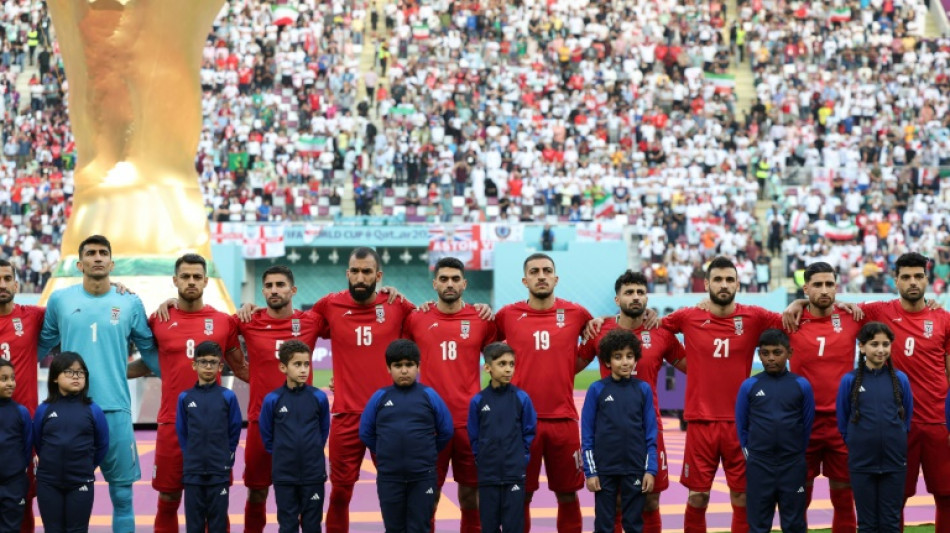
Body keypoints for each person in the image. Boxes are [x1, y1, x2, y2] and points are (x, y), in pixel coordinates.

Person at [786, 252, 950, 531]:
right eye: (906, 277)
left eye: (918, 276)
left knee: (946, 494)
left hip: (937, 422)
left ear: (927, 279)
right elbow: (826, 304)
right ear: (895, 280)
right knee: (894, 498)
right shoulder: (879, 311)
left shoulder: (943, 318)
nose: (913, 282)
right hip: (895, 424)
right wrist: (799, 302)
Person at [37, 235, 158, 533]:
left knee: (122, 496)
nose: (98, 257)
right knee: (67, 495)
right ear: (80, 264)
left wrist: (118, 371)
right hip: (70, 412)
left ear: (112, 263)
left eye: (103, 253)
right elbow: (37, 347)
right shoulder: (60, 300)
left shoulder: (129, 301)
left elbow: (152, 354)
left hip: (116, 410)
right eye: (90, 253)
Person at [661, 256, 782, 533]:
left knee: (742, 496)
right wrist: (682, 362)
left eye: (729, 279)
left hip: (740, 423)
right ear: (706, 284)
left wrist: (798, 303)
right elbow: (656, 331)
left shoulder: (755, 316)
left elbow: (791, 321)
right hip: (700, 422)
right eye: (718, 279)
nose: (724, 285)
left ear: (738, 284)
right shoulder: (688, 316)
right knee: (698, 497)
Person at [133, 253, 248, 533]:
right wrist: (107, 373)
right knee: (168, 498)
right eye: (185, 276)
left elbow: (241, 368)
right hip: (171, 422)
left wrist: (281, 385)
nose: (191, 281)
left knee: (215, 502)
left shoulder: (223, 321)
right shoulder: (158, 319)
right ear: (175, 280)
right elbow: (147, 363)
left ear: (206, 281)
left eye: (197, 276)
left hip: (213, 428)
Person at [312, 247, 416, 533]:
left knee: (395, 491)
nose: (360, 277)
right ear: (347, 273)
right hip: (346, 415)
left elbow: (429, 322)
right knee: (340, 492)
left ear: (378, 276)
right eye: (355, 271)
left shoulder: (397, 305)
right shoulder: (329, 305)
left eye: (367, 272)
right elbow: (296, 324)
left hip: (389, 417)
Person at [578, 270, 686, 533]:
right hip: (609, 432)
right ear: (617, 299)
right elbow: (570, 365)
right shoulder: (599, 330)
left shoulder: (660, 332)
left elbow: (693, 367)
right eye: (629, 292)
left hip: (649, 429)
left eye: (640, 292)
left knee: (650, 499)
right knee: (612, 501)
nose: (635, 297)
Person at [494, 253, 594, 533]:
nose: (541, 276)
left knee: (568, 494)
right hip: (520, 422)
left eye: (547, 271)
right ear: (524, 280)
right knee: (521, 494)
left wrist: (568, 367)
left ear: (556, 278)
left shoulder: (576, 313)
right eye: (534, 271)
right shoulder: (507, 315)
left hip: (563, 420)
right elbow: (483, 341)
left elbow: (597, 340)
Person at [403, 256, 497, 532]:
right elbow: (400, 363)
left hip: (470, 423)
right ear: (434, 284)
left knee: (472, 497)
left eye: (455, 279)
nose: (449, 284)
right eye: (443, 279)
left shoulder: (481, 319)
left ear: (464, 283)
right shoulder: (416, 318)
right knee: (428, 497)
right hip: (430, 424)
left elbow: (499, 364)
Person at [237, 265, 324, 533]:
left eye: (280, 285)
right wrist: (244, 371)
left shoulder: (311, 321)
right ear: (263, 291)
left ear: (293, 290)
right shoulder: (248, 320)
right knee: (257, 491)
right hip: (260, 422)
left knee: (305, 494)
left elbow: (350, 331)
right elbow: (216, 331)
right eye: (269, 286)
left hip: (302, 425)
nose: (274, 290)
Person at [788, 262, 862, 533]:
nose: (824, 290)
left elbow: (897, 308)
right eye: (817, 285)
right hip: (801, 424)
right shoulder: (790, 320)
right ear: (805, 288)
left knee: (844, 497)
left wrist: (929, 303)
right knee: (798, 498)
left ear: (836, 287)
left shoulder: (853, 317)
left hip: (841, 424)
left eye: (829, 284)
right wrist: (796, 304)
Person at [359, 339, 454, 533]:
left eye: (409, 365)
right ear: (388, 368)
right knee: (393, 528)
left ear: (418, 367)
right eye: (398, 365)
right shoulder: (380, 397)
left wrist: (427, 450)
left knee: (420, 527)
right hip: (390, 477)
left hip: (423, 477)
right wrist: (386, 451)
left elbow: (446, 430)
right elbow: (366, 433)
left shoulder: (429, 395)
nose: (404, 371)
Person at [836, 322, 913, 533]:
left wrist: (895, 441)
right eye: (874, 344)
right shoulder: (849, 380)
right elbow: (843, 420)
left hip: (894, 462)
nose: (881, 349)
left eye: (885, 344)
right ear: (862, 347)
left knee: (890, 523)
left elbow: (906, 419)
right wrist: (857, 443)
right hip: (862, 463)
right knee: (867, 524)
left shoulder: (900, 379)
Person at [735, 329, 815, 533]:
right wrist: (754, 455)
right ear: (759, 354)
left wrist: (795, 453)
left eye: (777, 352)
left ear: (789, 353)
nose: (771, 358)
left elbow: (806, 424)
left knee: (794, 525)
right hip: (760, 465)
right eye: (765, 353)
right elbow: (742, 426)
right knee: (758, 525)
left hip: (792, 465)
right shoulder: (749, 386)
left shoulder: (801, 385)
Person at [581, 329, 658, 533]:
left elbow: (651, 433)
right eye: (618, 357)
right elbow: (587, 434)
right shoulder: (597, 390)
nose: (625, 362)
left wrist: (650, 470)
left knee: (634, 524)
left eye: (629, 356)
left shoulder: (643, 389)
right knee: (604, 525)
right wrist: (591, 471)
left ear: (636, 359)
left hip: (635, 467)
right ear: (607, 361)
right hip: (604, 470)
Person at [32, 352, 109, 533]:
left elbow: (102, 445)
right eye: (69, 372)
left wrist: (86, 466)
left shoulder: (94, 410)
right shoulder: (44, 409)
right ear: (55, 378)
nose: (76, 377)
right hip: (48, 483)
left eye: (80, 372)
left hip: (80, 481)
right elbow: (38, 442)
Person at [259, 340, 331, 533]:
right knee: (287, 525)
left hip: (313, 474)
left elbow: (323, 431)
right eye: (297, 364)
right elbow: (267, 436)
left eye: (306, 364)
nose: (303, 369)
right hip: (284, 476)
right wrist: (283, 454)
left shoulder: (319, 397)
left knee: (312, 526)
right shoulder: (273, 400)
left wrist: (312, 450)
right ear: (283, 367)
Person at [467, 342, 537, 533]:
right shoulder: (478, 401)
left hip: (514, 474)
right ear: (487, 367)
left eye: (511, 364)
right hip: (488, 476)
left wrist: (521, 459)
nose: (508, 369)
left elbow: (529, 431)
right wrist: (481, 458)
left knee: (513, 527)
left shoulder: (521, 398)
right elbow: (474, 436)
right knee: (489, 527)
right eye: (502, 364)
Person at [175, 341, 242, 533]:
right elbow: (182, 431)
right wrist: (191, 456)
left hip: (219, 471)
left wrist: (226, 455)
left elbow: (234, 429)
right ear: (194, 365)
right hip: (193, 472)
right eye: (203, 362)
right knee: (194, 525)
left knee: (218, 524)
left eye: (213, 362)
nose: (208, 366)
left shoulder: (228, 397)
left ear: (220, 366)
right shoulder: (185, 398)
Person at [0, 258, 44, 532]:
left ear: (16, 284)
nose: (2, 284)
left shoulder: (32, 316)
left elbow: (74, 308)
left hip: (23, 427)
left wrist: (117, 288)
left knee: (24, 499)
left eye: (7, 278)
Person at [0, 359, 32, 533]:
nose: (10, 383)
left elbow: (26, 448)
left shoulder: (21, 412)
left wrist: (16, 472)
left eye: (12, 378)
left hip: (14, 484)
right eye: (4, 379)